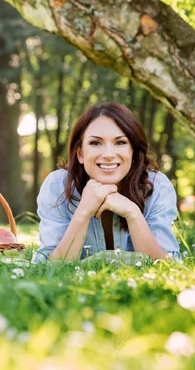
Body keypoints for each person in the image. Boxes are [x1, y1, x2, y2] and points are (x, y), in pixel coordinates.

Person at [33, 102, 180, 262]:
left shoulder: (157, 186)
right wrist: (83, 212)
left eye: (120, 142)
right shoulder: (56, 185)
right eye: (96, 143)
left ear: (133, 151)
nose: (109, 154)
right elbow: (49, 267)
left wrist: (133, 213)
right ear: (80, 153)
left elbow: (167, 266)